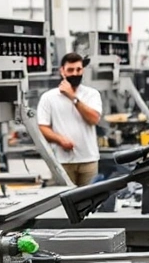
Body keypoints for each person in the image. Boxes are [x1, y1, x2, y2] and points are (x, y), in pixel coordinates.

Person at [37, 52, 103, 186]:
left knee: (91, 201)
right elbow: (42, 127)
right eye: (70, 70)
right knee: (65, 201)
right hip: (62, 161)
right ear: (62, 71)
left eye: (78, 69)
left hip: (88, 159)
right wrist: (60, 139)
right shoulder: (48, 97)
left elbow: (94, 119)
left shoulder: (92, 94)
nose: (75, 74)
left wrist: (73, 97)